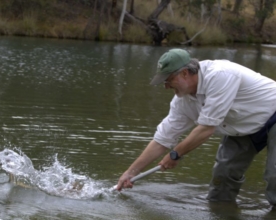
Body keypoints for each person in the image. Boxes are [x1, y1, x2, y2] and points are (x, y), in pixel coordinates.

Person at [116, 48, 276, 206]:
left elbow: (206, 128)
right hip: (241, 126)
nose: (166, 87)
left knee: (274, 175)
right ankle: (223, 218)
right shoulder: (182, 102)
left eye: (168, 80)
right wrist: (130, 173)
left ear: (184, 73)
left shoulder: (220, 75)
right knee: (223, 176)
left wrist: (175, 154)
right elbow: (161, 140)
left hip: (273, 115)